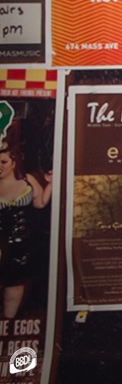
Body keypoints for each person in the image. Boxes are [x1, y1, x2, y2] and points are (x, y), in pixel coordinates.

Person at [0, 119, 51, 319]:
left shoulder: (27, 181)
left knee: (14, 285)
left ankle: (8, 323)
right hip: (1, 245)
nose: (0, 167)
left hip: (23, 247)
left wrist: (52, 183)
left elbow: (40, 203)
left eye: (4, 162)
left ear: (13, 163)